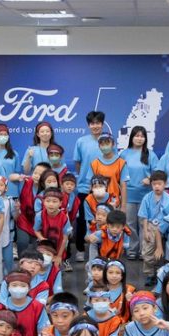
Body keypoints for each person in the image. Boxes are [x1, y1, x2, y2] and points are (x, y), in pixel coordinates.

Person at [73, 111, 107, 262]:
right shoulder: (81, 141)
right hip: (84, 187)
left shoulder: (108, 141)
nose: (95, 126)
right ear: (88, 125)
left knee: (103, 219)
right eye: (92, 123)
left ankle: (103, 249)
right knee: (82, 220)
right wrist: (84, 177)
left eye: (98, 123)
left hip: (103, 188)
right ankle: (80, 249)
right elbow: (78, 163)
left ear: (102, 124)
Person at [121, 126, 158, 259]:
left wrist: (150, 178)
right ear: (131, 137)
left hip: (145, 196)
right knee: (130, 224)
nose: (139, 138)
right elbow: (119, 173)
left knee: (144, 224)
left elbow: (158, 172)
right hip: (129, 195)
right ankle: (132, 250)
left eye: (142, 136)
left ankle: (144, 251)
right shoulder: (124, 154)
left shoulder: (150, 154)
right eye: (136, 135)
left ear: (145, 139)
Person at [0, 270, 49, 336]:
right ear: (8, 287)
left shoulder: (37, 307)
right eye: (14, 285)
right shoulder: (2, 307)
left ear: (29, 288)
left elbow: (45, 330)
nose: (18, 288)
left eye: (23, 285)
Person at [138, 170, 169, 286]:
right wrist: (145, 231)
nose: (157, 186)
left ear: (165, 184)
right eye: (154, 184)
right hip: (151, 225)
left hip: (166, 225)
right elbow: (144, 216)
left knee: (164, 251)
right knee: (148, 251)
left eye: (159, 184)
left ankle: (161, 273)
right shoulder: (147, 198)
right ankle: (150, 274)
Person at [89, 132, 128, 211]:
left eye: (107, 143)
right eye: (102, 144)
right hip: (98, 204)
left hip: (115, 203)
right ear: (99, 146)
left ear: (113, 144)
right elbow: (90, 186)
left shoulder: (121, 163)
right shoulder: (94, 163)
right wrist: (90, 204)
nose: (105, 147)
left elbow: (123, 186)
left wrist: (123, 207)